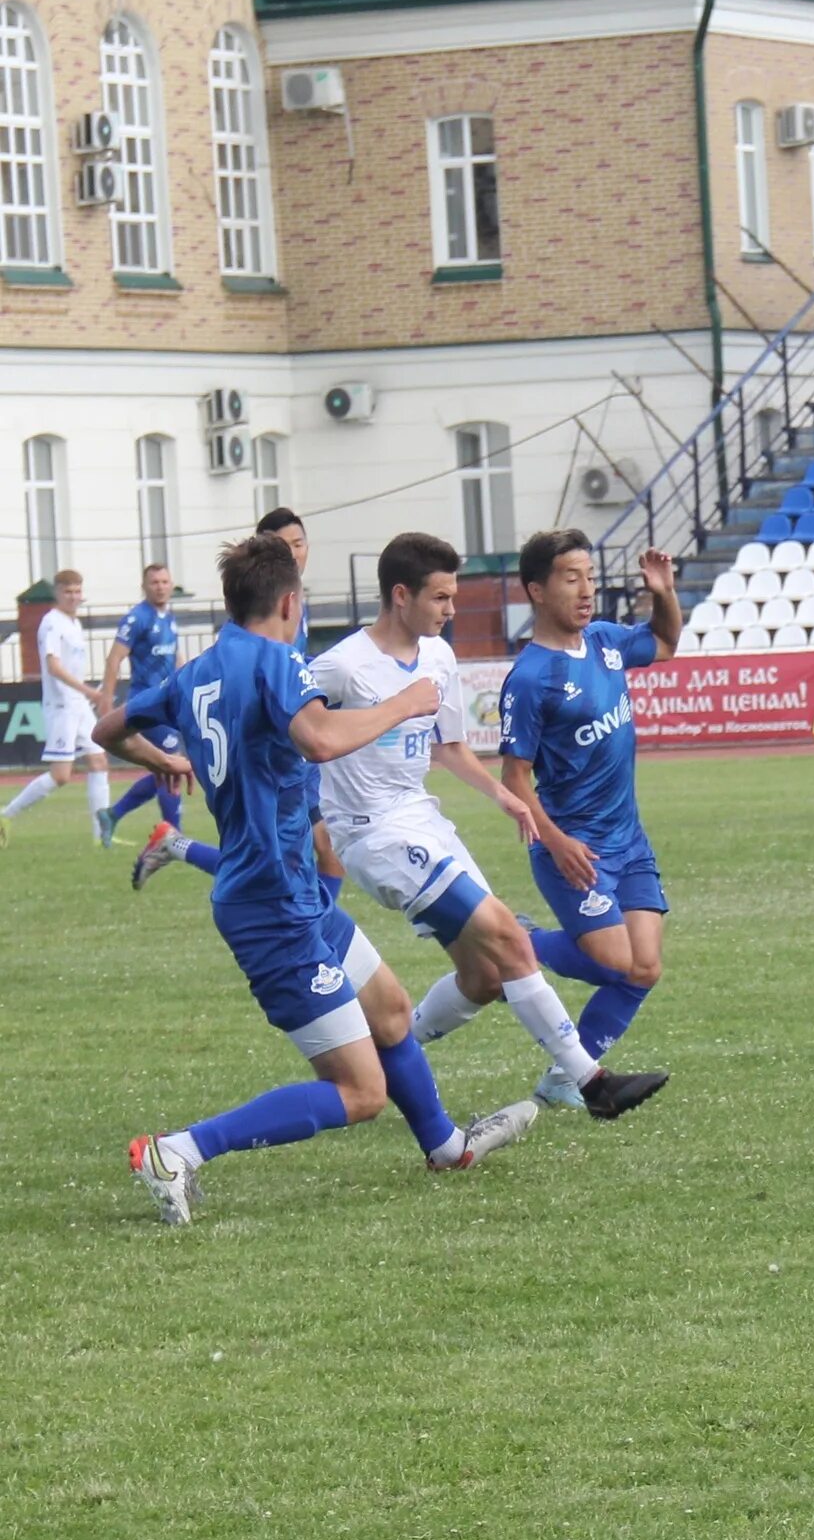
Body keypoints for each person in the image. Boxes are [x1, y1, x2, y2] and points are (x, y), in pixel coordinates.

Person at [99, 533, 534, 1226]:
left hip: (291, 891)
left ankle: (446, 1146)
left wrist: (163, 759)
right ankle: (175, 1150)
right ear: (290, 602)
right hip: (271, 905)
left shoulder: (196, 670)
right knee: (360, 1091)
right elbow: (320, 739)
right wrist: (407, 701)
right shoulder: (274, 660)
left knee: (390, 1007)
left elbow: (108, 728)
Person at [313, 534, 667, 1120]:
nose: (452, 611)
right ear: (401, 596)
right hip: (372, 834)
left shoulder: (439, 657)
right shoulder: (341, 665)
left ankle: (385, 1060)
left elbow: (450, 748)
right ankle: (590, 1079)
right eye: (441, 598)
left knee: (483, 976)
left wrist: (505, 797)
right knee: (506, 936)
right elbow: (299, 733)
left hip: (422, 818)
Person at [500, 531, 685, 1063]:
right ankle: (513, 944)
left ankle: (569, 1077)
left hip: (628, 840)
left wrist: (663, 593)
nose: (586, 590)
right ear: (537, 590)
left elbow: (666, 643)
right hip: (573, 850)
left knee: (644, 968)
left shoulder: (605, 641)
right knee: (614, 961)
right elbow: (515, 778)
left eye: (591, 578)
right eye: (571, 578)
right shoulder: (531, 678)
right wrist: (556, 843)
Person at [131, 509, 333, 888]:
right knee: (276, 859)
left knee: (314, 851)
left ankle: (176, 845)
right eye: (282, 546)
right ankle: (177, 845)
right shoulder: (254, 627)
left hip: (292, 746)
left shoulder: (291, 610)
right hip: (273, 756)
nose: (293, 553)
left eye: (299, 544)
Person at [1, 570, 113, 850]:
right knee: (61, 775)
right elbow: (53, 667)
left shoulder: (74, 624)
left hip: (79, 705)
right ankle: (5, 816)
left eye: (77, 591)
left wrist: (86, 695)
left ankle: (102, 837)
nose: (74, 597)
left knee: (99, 762)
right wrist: (89, 691)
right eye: (68, 591)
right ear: (58, 593)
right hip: (62, 705)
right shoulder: (51, 623)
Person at [96, 563, 188, 845]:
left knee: (164, 767)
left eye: (164, 581)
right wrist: (105, 705)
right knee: (172, 763)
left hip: (167, 704)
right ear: (144, 586)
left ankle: (113, 814)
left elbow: (176, 659)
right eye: (154, 582)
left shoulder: (169, 617)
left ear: (171, 584)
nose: (160, 586)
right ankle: (174, 838)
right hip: (146, 704)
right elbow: (114, 660)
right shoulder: (137, 618)